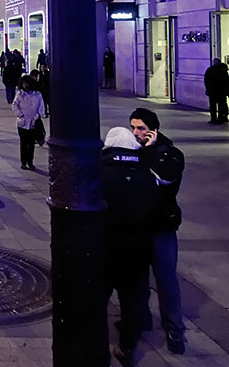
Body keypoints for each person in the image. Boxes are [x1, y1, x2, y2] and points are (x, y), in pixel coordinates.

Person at [101, 127, 161, 366]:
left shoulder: (100, 172)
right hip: (137, 249)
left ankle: (94, 341)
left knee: (97, 298)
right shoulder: (146, 173)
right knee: (132, 300)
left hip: (106, 247)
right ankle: (127, 345)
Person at [129, 107, 186, 354]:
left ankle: (173, 328)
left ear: (153, 130)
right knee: (138, 278)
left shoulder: (170, 153)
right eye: (132, 127)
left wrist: (149, 152)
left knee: (166, 280)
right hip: (140, 225)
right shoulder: (135, 150)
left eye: (140, 128)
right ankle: (142, 318)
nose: (136, 133)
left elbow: (165, 180)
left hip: (161, 226)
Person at [12, 75, 45, 170]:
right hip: (22, 123)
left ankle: (30, 162)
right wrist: (20, 115)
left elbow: (41, 107)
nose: (25, 85)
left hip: (33, 123)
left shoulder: (37, 94)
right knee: (23, 143)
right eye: (24, 83)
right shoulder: (20, 94)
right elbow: (15, 105)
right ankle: (23, 162)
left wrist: (37, 116)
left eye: (27, 83)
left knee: (31, 144)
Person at [203, 58, 229, 124]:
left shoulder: (210, 70)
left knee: (213, 105)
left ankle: (213, 118)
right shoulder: (223, 71)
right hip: (221, 92)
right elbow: (227, 81)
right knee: (221, 105)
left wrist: (207, 89)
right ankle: (221, 118)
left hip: (212, 91)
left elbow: (206, 81)